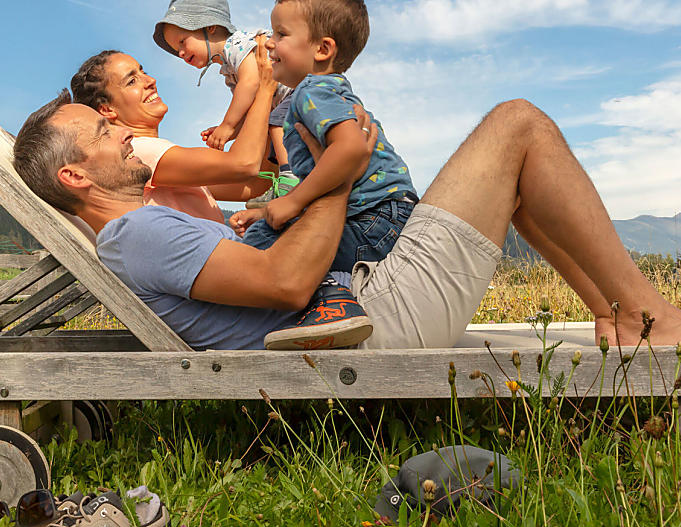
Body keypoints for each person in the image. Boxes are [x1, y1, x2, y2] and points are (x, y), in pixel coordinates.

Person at [13, 60, 681, 350]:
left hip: (363, 302)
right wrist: (336, 172)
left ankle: (620, 314)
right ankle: (655, 319)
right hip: (381, 315)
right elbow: (285, 282)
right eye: (106, 131)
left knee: (511, 168)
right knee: (517, 123)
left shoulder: (141, 229)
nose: (125, 130)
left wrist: (297, 187)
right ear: (75, 174)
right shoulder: (138, 233)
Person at [232, 0, 418, 274]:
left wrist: (293, 201)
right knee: (270, 232)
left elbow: (351, 148)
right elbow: (330, 177)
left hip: (373, 221)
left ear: (322, 48)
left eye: (281, 34)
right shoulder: (327, 90)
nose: (269, 42)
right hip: (384, 217)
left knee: (261, 244)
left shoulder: (312, 90)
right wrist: (277, 212)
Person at [70, 45, 277, 223]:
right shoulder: (136, 152)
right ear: (107, 110)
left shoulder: (159, 162)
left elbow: (255, 184)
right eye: (131, 81)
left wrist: (273, 111)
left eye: (143, 72)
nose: (150, 80)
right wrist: (265, 90)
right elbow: (243, 165)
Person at [153, 0, 298, 208]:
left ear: (210, 27)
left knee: (275, 123)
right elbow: (251, 108)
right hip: (281, 103)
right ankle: (275, 183)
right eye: (176, 50)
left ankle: (289, 178)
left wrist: (227, 125)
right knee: (261, 128)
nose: (181, 53)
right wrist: (230, 131)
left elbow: (251, 83)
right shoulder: (229, 70)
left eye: (182, 42)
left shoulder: (237, 46)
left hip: (296, 92)